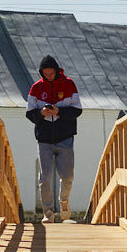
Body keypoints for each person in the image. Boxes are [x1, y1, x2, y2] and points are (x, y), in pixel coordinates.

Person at [26, 55, 82, 223]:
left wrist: (59, 111)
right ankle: (48, 212)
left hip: (65, 138)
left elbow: (77, 110)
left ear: (56, 71)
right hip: (44, 140)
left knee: (67, 177)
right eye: (45, 74)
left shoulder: (69, 84)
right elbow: (29, 113)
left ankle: (64, 203)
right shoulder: (36, 88)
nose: (48, 76)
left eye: (51, 73)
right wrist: (41, 113)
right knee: (45, 177)